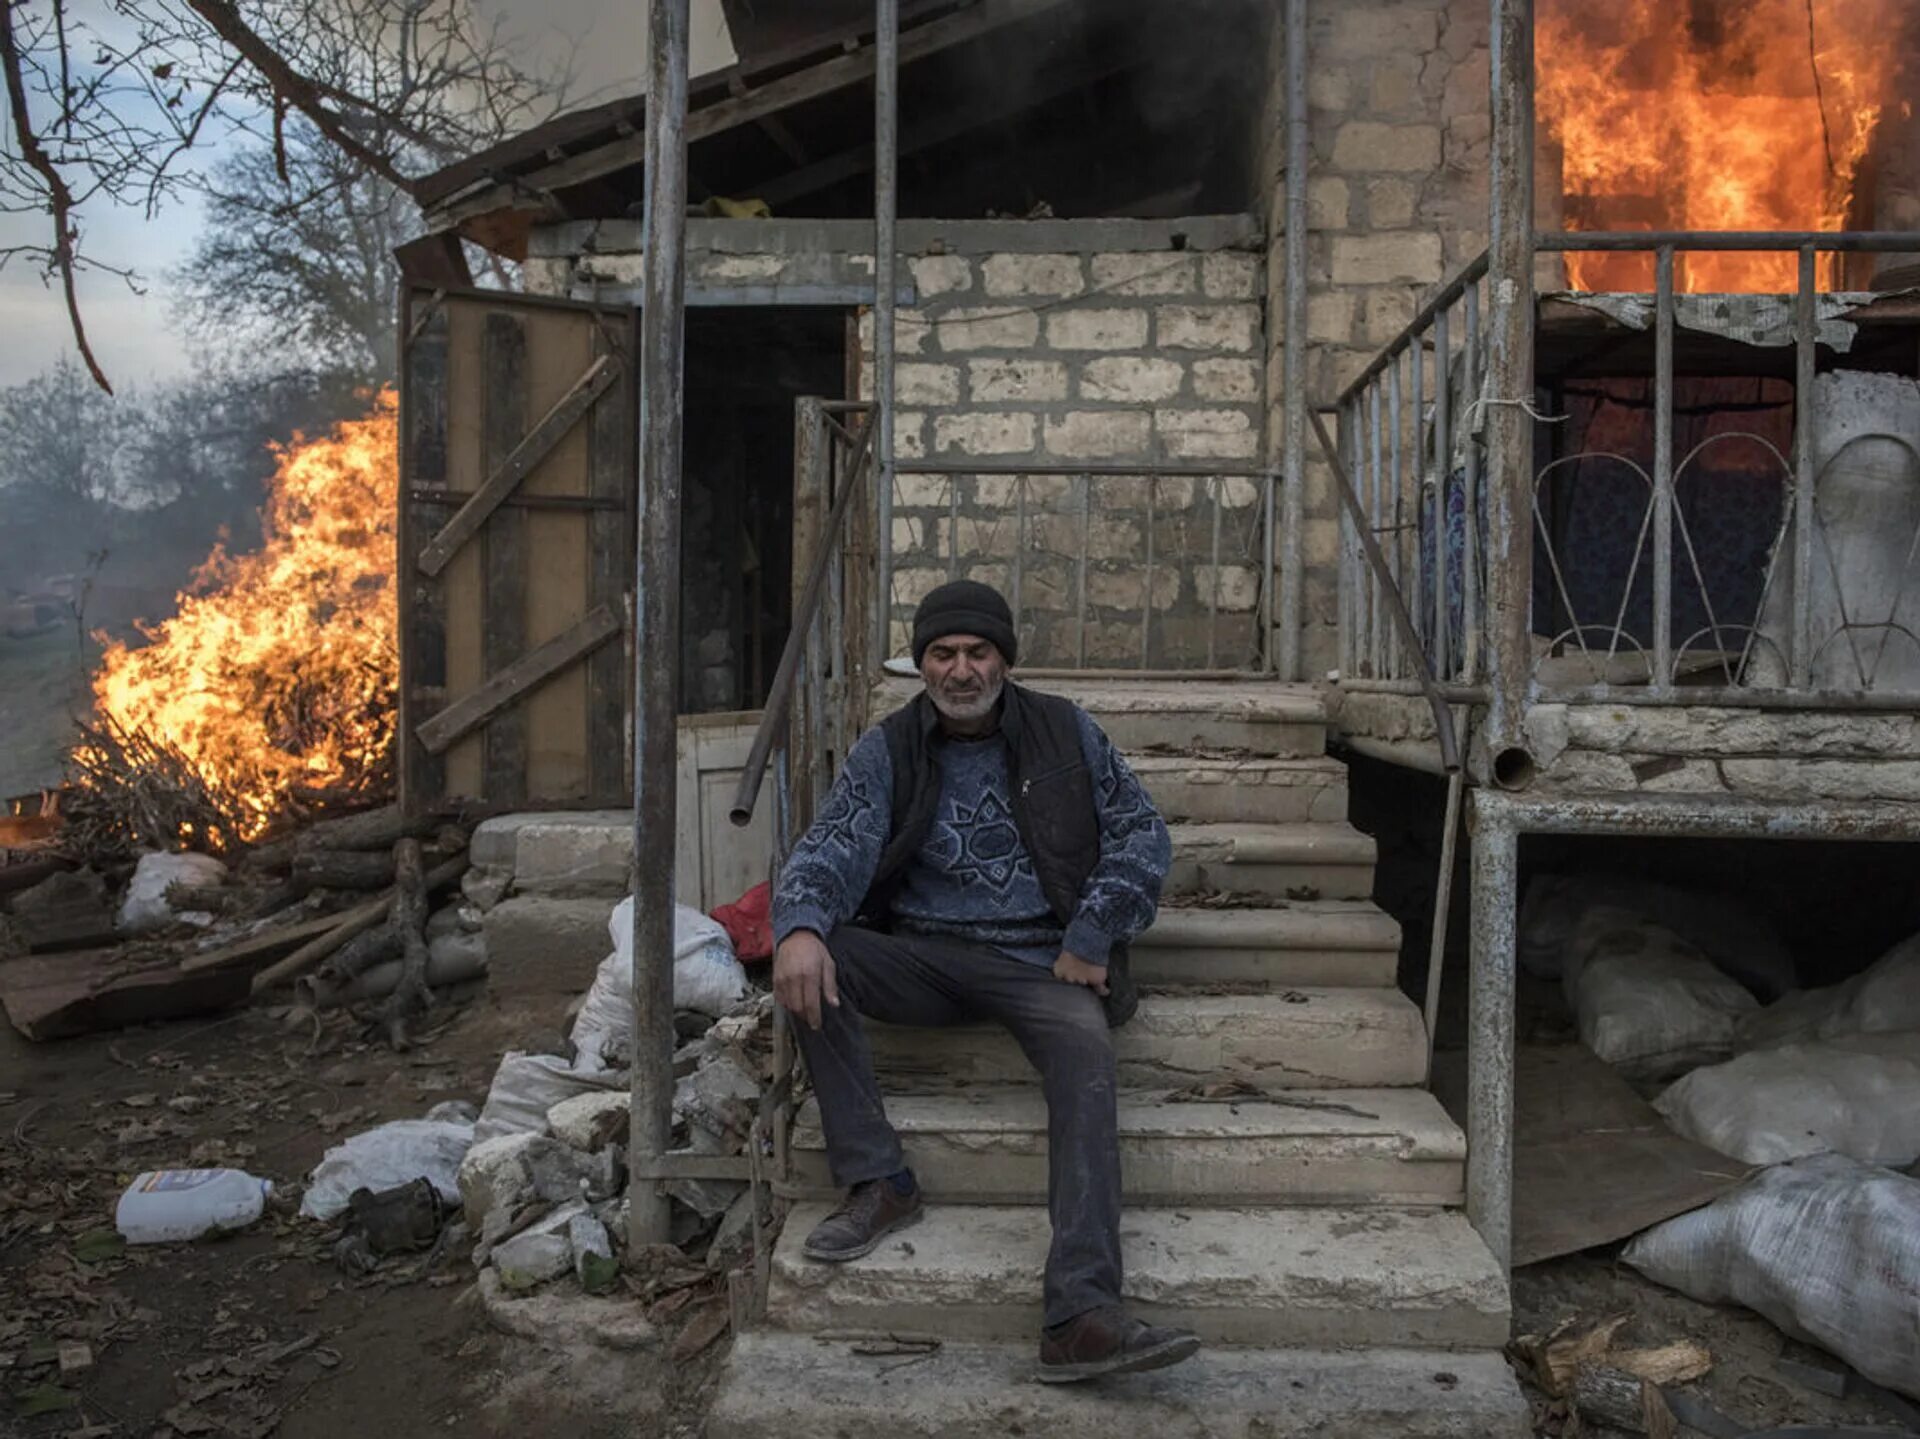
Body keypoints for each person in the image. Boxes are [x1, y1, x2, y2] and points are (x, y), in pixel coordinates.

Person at [770, 578, 1200, 1383]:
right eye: (942, 653)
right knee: (809, 958)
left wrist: (1093, 929)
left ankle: (1078, 1311)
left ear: (1004, 658)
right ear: (921, 664)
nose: (960, 670)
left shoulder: (1066, 731)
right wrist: (797, 924)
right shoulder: (888, 747)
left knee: (1085, 1055)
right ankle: (879, 1179)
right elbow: (832, 845)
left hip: (1043, 959)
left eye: (977, 652)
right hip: (925, 955)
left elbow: (1143, 836)